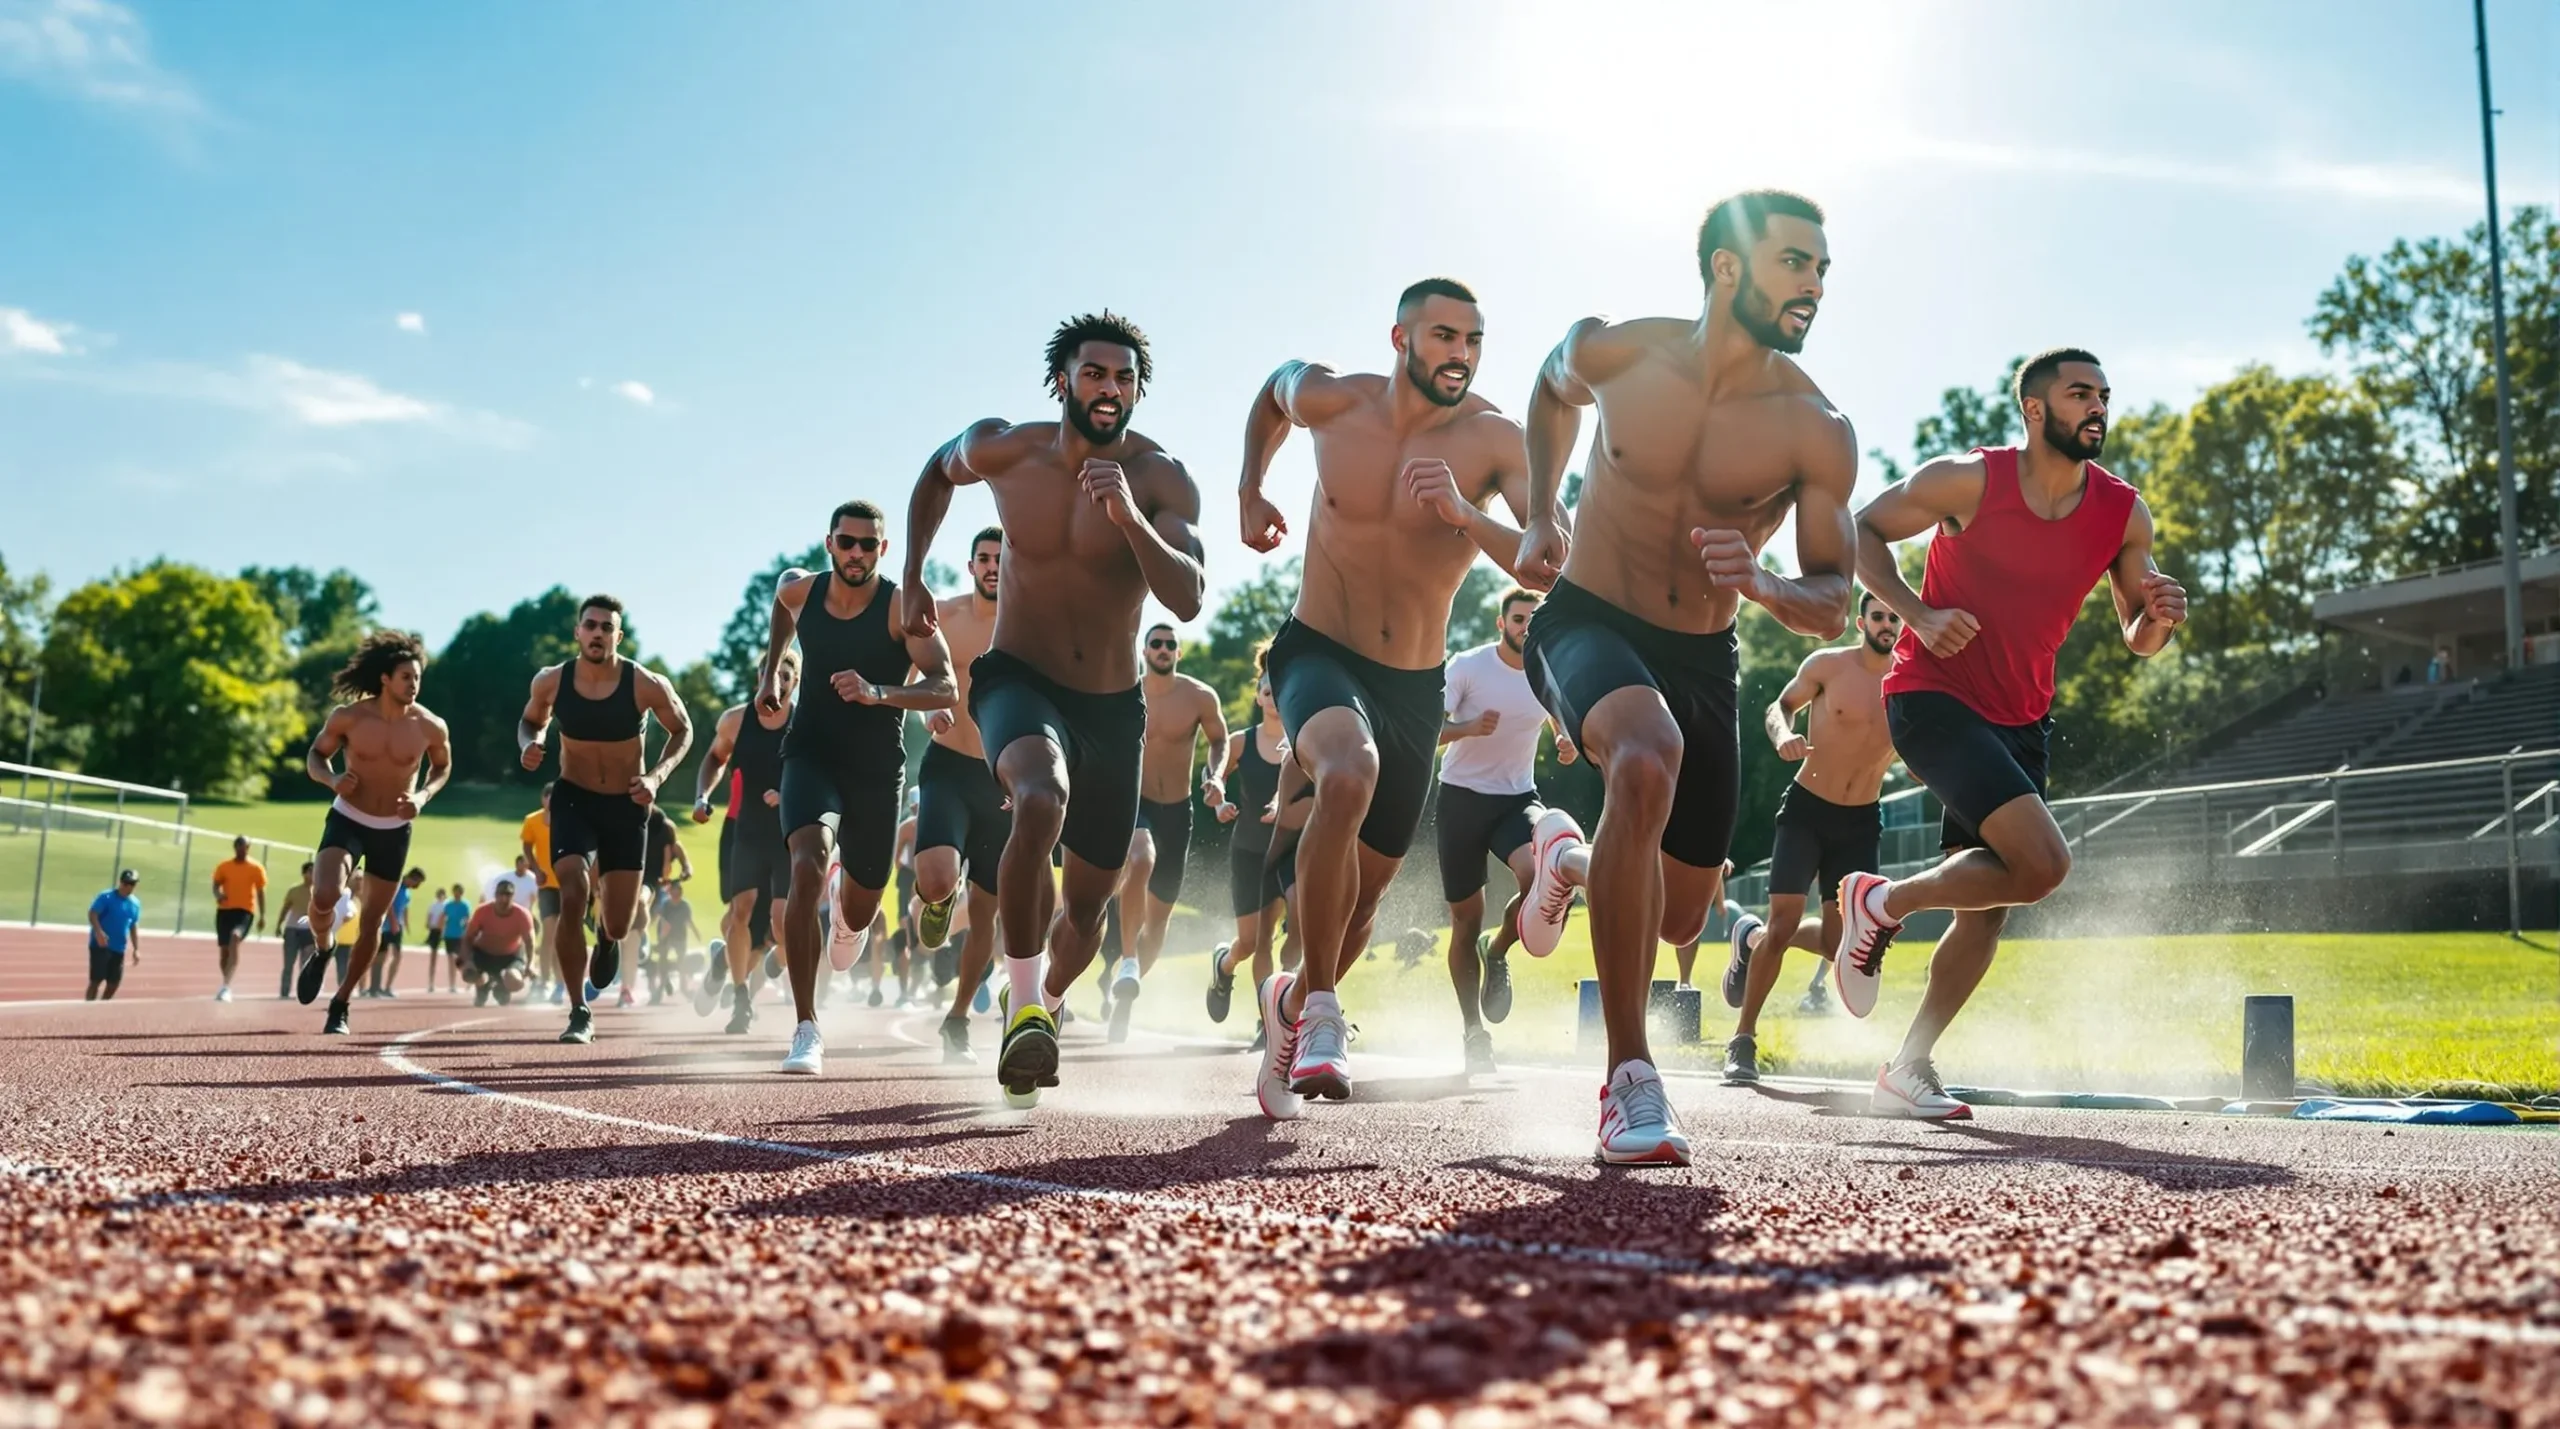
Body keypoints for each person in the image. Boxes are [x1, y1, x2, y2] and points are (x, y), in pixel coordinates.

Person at [1511, 191, 1859, 1165]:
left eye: (1823, 270)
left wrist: (1766, 581)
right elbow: (1549, 383)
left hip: (1705, 657)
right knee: (1642, 751)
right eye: (1796, 263)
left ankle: (1568, 864)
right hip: (1585, 622)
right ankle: (1628, 1076)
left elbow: (1832, 597)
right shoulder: (1621, 353)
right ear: (1726, 268)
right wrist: (1542, 512)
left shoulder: (1814, 425)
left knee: (1678, 914)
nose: (1815, 286)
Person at [1838, 347, 2186, 1118]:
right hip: (1932, 695)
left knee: (1989, 907)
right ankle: (1885, 903)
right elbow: (1860, 530)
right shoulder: (1966, 480)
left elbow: (2136, 633)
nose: (2097, 406)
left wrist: (2158, 618)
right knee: (2044, 864)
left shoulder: (2123, 512)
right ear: (2035, 409)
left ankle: (1908, 1065)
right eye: (2078, 393)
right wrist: (1919, 613)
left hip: (2023, 717)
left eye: (2103, 393)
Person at [1235, 277, 1533, 1119]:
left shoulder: (1496, 438)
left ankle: (1292, 1006)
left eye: (1474, 340)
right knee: (1346, 770)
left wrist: (1468, 514)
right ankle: (1324, 1007)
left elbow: (1551, 557)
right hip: (1317, 651)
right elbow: (1271, 392)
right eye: (1444, 336)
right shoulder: (1333, 398)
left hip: (1413, 684)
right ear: (1400, 338)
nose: (1461, 355)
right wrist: (1250, 486)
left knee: (1362, 901)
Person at [903, 311, 1206, 1109]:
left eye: (1125, 378)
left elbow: (1189, 595)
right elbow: (937, 472)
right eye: (1095, 373)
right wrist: (910, 574)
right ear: (1062, 380)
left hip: (1112, 709)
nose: (1110, 390)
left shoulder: (1162, 478)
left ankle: (1039, 1003)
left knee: (1091, 906)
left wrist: (1130, 519)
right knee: (1040, 797)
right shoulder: (1008, 449)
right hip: (1017, 679)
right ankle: (1025, 1000)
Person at [757, 500, 956, 1076]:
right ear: (830, 543)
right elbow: (781, 602)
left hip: (875, 768)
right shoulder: (802, 591)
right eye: (847, 542)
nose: (856, 554)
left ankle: (850, 916)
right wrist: (774, 670)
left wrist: (878, 692)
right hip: (810, 753)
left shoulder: (902, 608)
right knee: (806, 863)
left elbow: (945, 688)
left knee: (866, 895)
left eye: (868, 545)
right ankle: (806, 1027)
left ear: (883, 550)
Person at [1717, 592, 1904, 1083]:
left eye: (1895, 617)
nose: (1887, 623)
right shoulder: (1828, 664)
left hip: (1862, 821)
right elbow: (1781, 705)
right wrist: (1783, 736)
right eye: (1879, 615)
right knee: (1784, 923)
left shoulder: (1912, 680)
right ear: (1862, 621)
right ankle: (1743, 1041)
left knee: (1839, 944)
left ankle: (1749, 939)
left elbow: (1927, 743)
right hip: (1807, 811)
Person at [518, 594, 695, 1045]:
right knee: (572, 890)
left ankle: (607, 938)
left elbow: (683, 730)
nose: (597, 633)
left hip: (626, 805)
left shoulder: (644, 683)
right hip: (573, 799)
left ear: (619, 635)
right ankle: (579, 1009)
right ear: (578, 632)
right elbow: (530, 722)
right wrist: (530, 743)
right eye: (590, 625)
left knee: (619, 922)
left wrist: (656, 777)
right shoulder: (551, 681)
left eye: (606, 627)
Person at [1434, 587, 1576, 1074]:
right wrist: (1467, 727)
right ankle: (1474, 1032)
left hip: (1518, 798)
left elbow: (1564, 717)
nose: (1526, 627)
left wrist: (1565, 739)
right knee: (1465, 920)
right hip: (1460, 800)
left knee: (1543, 875)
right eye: (1518, 619)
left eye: (1533, 620)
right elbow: (1428, 727)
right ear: (1502, 624)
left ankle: (1498, 951)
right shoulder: (1468, 666)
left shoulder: (1547, 670)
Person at [295, 631, 454, 1036]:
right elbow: (316, 755)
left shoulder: (429, 726)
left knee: (373, 925)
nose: (413, 684)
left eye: (417, 677)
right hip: (348, 816)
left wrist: (422, 796)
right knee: (325, 894)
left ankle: (341, 1003)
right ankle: (323, 947)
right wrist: (332, 781)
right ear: (385, 679)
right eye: (405, 677)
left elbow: (441, 768)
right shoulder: (349, 717)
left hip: (393, 830)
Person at [909, 527, 1012, 1065]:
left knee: (989, 915)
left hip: (1002, 781)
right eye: (985, 559)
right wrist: (928, 709)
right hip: (948, 767)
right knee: (937, 879)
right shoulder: (942, 616)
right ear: (971, 566)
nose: (994, 566)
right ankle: (940, 900)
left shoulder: (1027, 623)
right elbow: (909, 677)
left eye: (1003, 558)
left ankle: (957, 1020)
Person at [1102, 622, 1227, 1041]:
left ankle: (1125, 994)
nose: (1163, 649)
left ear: (1178, 653)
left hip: (1178, 811)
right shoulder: (1126, 694)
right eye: (1156, 643)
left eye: (1170, 644)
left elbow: (1219, 740)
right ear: (1144, 650)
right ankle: (1128, 961)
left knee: (1158, 923)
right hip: (1135, 806)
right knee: (1140, 858)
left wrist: (1216, 776)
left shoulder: (1198, 696)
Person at [692, 636, 801, 1035]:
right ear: (759, 677)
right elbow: (714, 758)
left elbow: (825, 774)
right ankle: (741, 1000)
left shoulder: (804, 722)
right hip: (745, 827)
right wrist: (702, 795)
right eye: (769, 673)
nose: (775, 681)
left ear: (795, 683)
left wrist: (789, 793)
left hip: (789, 832)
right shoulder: (735, 720)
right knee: (742, 911)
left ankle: (724, 963)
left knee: (777, 927)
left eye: (785, 676)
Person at [1202, 649, 1287, 1036]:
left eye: (1280, 691)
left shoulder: (1301, 742)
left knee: (1281, 934)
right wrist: (1218, 799)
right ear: (1259, 697)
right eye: (1267, 692)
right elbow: (1216, 772)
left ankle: (1269, 1024)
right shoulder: (1241, 742)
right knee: (1251, 942)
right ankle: (1225, 964)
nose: (1274, 699)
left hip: (1289, 850)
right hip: (1250, 852)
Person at [460, 878, 538, 1006]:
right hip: (484, 954)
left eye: (507, 895)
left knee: (516, 983)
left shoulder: (522, 914)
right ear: (495, 895)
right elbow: (468, 937)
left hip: (510, 956)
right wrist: (467, 960)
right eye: (500, 895)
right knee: (468, 974)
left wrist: (530, 964)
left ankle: (502, 986)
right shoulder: (482, 911)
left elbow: (529, 941)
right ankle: (483, 985)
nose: (503, 899)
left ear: (513, 896)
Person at [208, 836, 266, 1003]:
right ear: (234, 847)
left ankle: (226, 985)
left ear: (249, 848)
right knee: (224, 952)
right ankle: (226, 983)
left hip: (244, 911)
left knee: (235, 937)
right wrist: (218, 894)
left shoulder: (256, 868)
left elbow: (261, 892)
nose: (241, 849)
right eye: (239, 846)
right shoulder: (224, 866)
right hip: (224, 911)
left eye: (245, 846)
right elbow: (215, 883)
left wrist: (262, 916)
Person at [367, 867, 424, 998]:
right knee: (380, 956)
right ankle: (374, 987)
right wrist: (393, 921)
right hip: (386, 926)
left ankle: (387, 987)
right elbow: (389, 904)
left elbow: (404, 907)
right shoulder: (396, 885)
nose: (417, 886)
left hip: (397, 926)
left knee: (397, 956)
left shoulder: (407, 891)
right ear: (413, 878)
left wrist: (404, 923)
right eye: (417, 882)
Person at [86, 869, 143, 1001]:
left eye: (132, 884)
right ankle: (88, 1007)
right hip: (100, 945)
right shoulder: (106, 897)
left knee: (114, 982)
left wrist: (136, 949)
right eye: (126, 883)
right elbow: (93, 913)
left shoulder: (135, 903)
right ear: (121, 883)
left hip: (119, 947)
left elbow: (133, 925)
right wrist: (99, 932)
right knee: (96, 979)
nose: (128, 887)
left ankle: (103, 1005)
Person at [649, 879, 696, 1005]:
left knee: (682, 962)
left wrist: (696, 932)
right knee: (662, 962)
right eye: (673, 893)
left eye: (678, 893)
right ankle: (662, 987)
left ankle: (683, 988)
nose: (675, 896)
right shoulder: (665, 905)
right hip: (666, 937)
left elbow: (688, 920)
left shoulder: (685, 906)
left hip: (680, 937)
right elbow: (660, 920)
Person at [275, 861, 314, 1000]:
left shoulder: (318, 891)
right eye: (310, 871)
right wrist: (279, 924)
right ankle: (284, 992)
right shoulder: (294, 890)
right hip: (292, 929)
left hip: (310, 931)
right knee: (288, 963)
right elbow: (286, 908)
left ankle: (303, 992)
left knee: (306, 964)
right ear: (304, 874)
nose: (312, 874)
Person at [438, 884, 472, 994]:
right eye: (455, 892)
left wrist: (467, 932)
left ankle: (469, 981)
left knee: (462, 960)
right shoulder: (448, 905)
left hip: (460, 935)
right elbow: (443, 918)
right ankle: (452, 985)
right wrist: (441, 930)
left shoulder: (465, 905)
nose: (457, 894)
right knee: (451, 961)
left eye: (459, 892)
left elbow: (468, 920)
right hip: (449, 935)